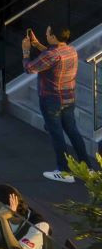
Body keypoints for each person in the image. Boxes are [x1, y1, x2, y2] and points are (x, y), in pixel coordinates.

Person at [24, 24, 92, 182]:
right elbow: (50, 57)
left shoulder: (52, 54)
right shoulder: (71, 50)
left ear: (53, 37)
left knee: (56, 134)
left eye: (48, 33)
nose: (46, 35)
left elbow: (29, 68)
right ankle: (87, 168)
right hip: (69, 99)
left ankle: (64, 171)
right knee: (73, 131)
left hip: (51, 99)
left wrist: (26, 51)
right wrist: (37, 45)